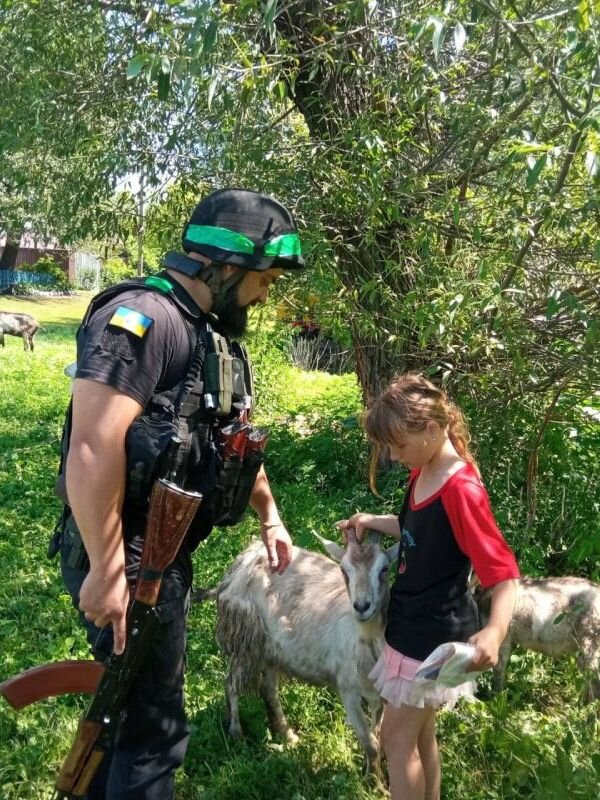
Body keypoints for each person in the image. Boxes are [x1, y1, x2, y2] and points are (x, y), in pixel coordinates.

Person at [49, 188, 305, 799]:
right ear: (225, 267)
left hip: (162, 557)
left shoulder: (211, 338)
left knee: (132, 714)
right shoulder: (143, 319)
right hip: (128, 555)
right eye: (265, 276)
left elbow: (228, 443)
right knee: (152, 733)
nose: (268, 291)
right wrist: (109, 570)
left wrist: (268, 516)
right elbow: (92, 445)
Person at [337, 373, 519, 800]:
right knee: (419, 740)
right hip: (411, 622)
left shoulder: (462, 489)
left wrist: (494, 631)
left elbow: (503, 572)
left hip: (431, 635)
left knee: (394, 740)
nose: (394, 456)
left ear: (433, 430)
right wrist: (370, 520)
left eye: (399, 445)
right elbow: (416, 528)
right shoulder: (425, 468)